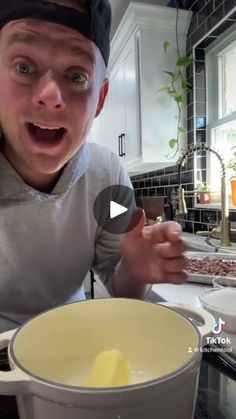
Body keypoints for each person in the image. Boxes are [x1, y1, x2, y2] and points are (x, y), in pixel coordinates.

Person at [0, 0, 187, 333]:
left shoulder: (106, 182)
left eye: (76, 75)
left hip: (73, 343)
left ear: (100, 100)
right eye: (24, 67)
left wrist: (136, 268)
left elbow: (121, 284)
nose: (50, 94)